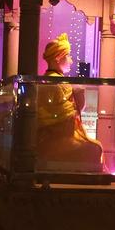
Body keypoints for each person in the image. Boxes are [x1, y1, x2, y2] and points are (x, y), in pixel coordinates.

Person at [35, 33, 103, 171]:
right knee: (96, 149)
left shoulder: (51, 81)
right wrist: (78, 96)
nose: (71, 61)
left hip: (54, 138)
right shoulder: (57, 83)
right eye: (69, 56)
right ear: (58, 58)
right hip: (57, 141)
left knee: (95, 147)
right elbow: (63, 117)